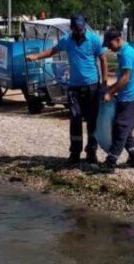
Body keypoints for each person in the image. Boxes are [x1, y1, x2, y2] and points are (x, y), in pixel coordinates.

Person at [26, 15, 107, 165]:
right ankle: (75, 153)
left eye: (82, 29)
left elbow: (103, 59)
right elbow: (53, 51)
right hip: (74, 86)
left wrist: (105, 83)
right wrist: (36, 56)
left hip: (92, 86)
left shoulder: (94, 39)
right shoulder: (67, 40)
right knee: (75, 120)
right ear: (72, 28)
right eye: (77, 29)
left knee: (92, 121)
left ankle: (91, 152)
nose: (80, 31)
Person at [101, 29, 134, 170]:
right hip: (127, 97)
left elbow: (125, 79)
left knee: (120, 129)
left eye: (109, 44)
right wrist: (110, 88)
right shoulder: (126, 52)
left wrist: (110, 92)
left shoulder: (126, 54)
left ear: (118, 40)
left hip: (130, 99)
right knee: (125, 129)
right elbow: (122, 79)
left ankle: (111, 162)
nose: (108, 47)